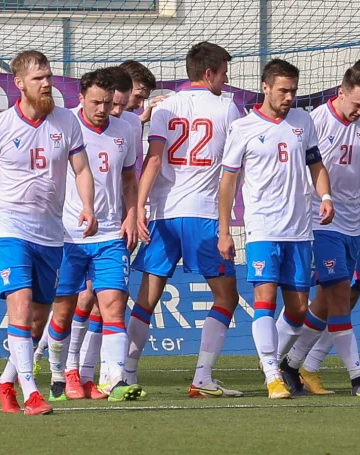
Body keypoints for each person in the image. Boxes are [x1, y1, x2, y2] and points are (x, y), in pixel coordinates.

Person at [0, 50, 97, 415]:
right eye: (38, 78)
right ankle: (31, 391)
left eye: (48, 76)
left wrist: (89, 206)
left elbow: (81, 170)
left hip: (50, 233)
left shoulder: (67, 122)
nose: (46, 83)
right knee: (20, 304)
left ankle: (5, 382)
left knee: (37, 319)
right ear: (19, 84)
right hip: (10, 226)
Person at [276, 64, 360, 397]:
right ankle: (357, 377)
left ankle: (291, 365)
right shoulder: (317, 121)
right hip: (320, 222)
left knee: (326, 300)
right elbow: (299, 167)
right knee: (339, 296)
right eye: (356, 105)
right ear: (341, 92)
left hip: (354, 223)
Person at [127, 42, 243, 398]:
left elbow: (154, 159)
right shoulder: (227, 108)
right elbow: (236, 168)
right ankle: (203, 377)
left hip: (164, 213)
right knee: (227, 297)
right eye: (224, 71)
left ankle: (125, 374)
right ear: (208, 73)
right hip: (203, 215)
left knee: (146, 298)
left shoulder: (166, 105)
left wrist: (140, 207)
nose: (226, 79)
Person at [218, 58, 334, 399]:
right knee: (264, 299)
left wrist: (324, 195)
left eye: (293, 91)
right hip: (263, 229)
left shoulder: (303, 121)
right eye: (283, 90)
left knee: (298, 309)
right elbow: (227, 184)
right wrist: (225, 231)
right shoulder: (243, 128)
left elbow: (316, 165)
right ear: (265, 87)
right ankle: (272, 372)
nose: (289, 97)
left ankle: (271, 358)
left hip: (300, 230)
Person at [45, 68, 140, 403]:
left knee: (114, 305)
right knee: (64, 310)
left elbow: (129, 180)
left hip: (111, 234)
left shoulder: (127, 129)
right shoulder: (62, 124)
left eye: (108, 102)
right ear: (81, 98)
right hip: (66, 236)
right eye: (96, 102)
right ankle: (62, 372)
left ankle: (114, 380)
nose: (103, 109)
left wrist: (132, 215)